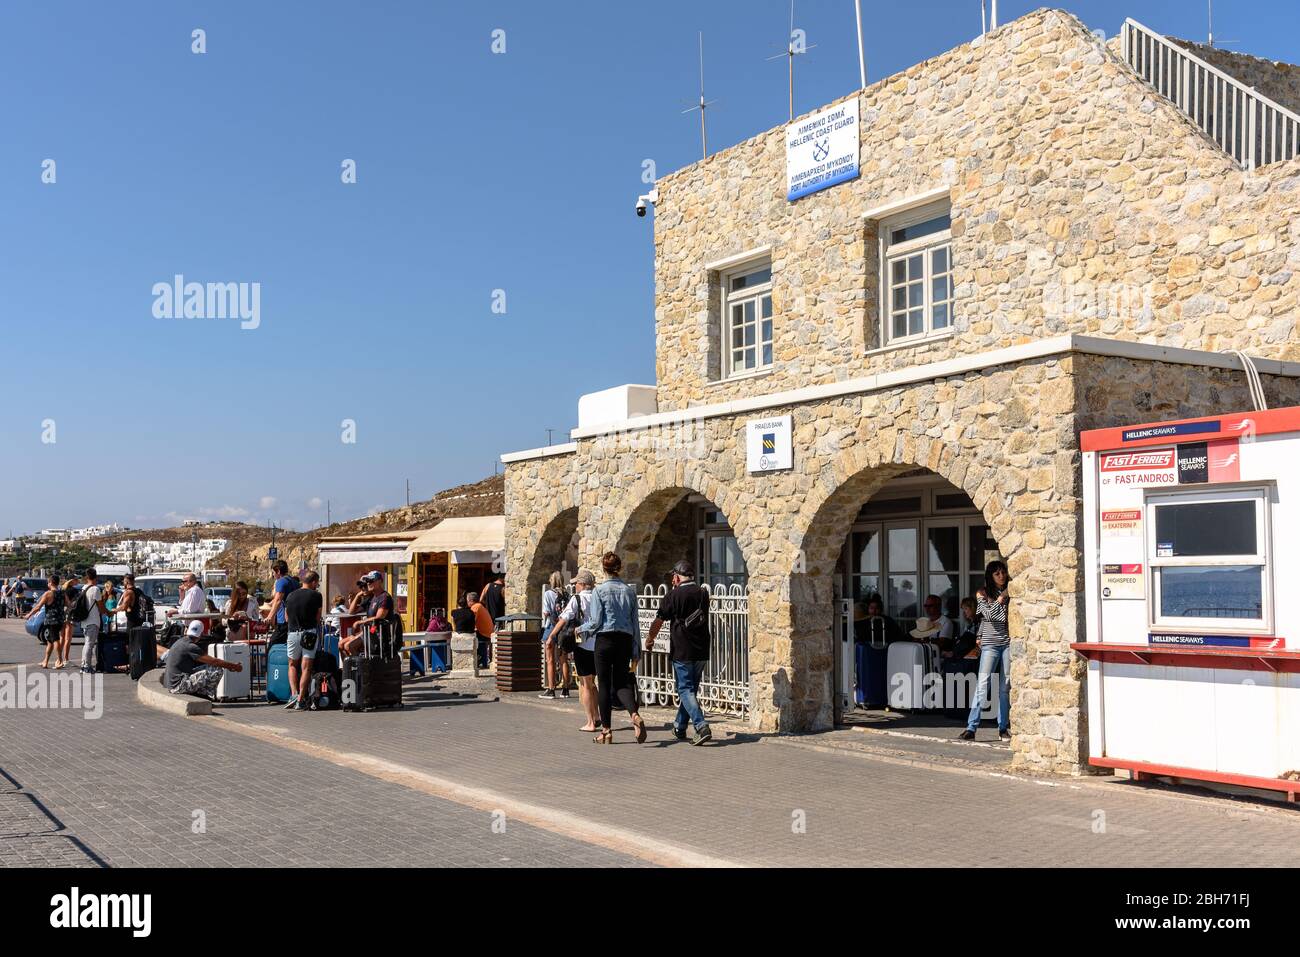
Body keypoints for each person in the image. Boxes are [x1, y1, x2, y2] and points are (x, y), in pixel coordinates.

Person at [577, 551, 645, 745]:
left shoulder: (600, 591)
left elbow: (596, 621)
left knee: (604, 684)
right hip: (624, 640)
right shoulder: (629, 591)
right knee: (622, 682)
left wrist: (579, 630)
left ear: (603, 568)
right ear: (619, 568)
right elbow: (635, 623)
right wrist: (636, 650)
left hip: (605, 640)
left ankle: (606, 731)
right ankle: (634, 715)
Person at [645, 561, 712, 745]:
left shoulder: (673, 595)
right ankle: (680, 727)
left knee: (684, 689)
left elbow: (659, 620)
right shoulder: (703, 594)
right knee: (690, 690)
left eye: (672, 577)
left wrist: (650, 638)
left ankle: (701, 726)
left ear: (676, 577)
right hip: (701, 649)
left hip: (682, 649)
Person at [961, 561, 1012, 742]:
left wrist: (996, 608)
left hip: (1007, 643)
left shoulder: (1011, 592)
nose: (1001, 576)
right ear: (990, 576)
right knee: (983, 684)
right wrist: (1000, 601)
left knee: (1005, 687)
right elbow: (988, 616)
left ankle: (1003, 727)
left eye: (1003, 572)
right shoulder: (982, 593)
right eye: (997, 573)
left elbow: (1001, 617)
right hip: (990, 644)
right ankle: (971, 727)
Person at [547, 570, 599, 731]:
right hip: (599, 645)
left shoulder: (577, 599)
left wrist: (551, 635)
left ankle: (590, 721)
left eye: (576, 583)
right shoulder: (599, 597)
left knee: (585, 683)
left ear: (583, 584)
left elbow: (564, 618)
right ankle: (598, 715)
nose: (574, 586)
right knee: (594, 683)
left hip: (583, 645)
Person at [165, 619, 243, 698]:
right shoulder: (190, 646)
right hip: (178, 686)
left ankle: (201, 694)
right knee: (217, 670)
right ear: (202, 633)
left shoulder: (181, 641)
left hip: (172, 684)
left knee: (210, 668)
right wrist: (233, 666)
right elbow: (214, 661)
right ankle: (205, 695)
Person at [284, 570, 324, 711]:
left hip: (293, 633)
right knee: (306, 666)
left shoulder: (290, 596)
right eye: (317, 583)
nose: (317, 585)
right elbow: (318, 617)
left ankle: (294, 694)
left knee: (292, 664)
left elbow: (286, 617)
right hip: (309, 633)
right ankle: (301, 699)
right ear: (313, 582)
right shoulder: (316, 596)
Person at [340, 570, 392, 658]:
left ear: (379, 581)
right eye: (367, 581)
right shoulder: (373, 598)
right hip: (371, 630)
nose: (368, 584)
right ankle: (352, 668)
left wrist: (359, 622)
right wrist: (357, 595)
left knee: (349, 646)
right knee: (342, 644)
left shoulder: (384, 597)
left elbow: (379, 618)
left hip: (378, 633)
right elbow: (351, 611)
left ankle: (361, 667)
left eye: (371, 581)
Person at [538, 571, 569, 699]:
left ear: (553, 581)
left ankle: (551, 688)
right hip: (563, 628)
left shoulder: (548, 594)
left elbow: (546, 613)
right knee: (563, 660)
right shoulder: (567, 594)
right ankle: (565, 689)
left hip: (551, 627)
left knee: (550, 659)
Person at [74, 568, 107, 674]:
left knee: (87, 643)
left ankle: (84, 665)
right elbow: (101, 607)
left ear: (87, 577)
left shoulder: (84, 588)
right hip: (93, 621)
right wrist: (108, 612)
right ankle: (86, 667)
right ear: (96, 577)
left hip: (85, 621)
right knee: (89, 644)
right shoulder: (95, 589)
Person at [28, 575, 66, 669]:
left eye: (48, 582)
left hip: (51, 620)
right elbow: (69, 604)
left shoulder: (48, 594)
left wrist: (29, 615)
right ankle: (45, 661)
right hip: (60, 619)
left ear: (51, 583)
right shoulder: (62, 593)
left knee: (55, 639)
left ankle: (60, 660)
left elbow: (38, 607)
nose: (47, 584)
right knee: (50, 641)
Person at [262, 560, 298, 648]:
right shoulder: (293, 581)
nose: (273, 575)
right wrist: (268, 605)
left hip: (283, 621)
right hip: (293, 620)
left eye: (273, 572)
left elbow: (278, 600)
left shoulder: (281, 581)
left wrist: (269, 617)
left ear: (278, 571)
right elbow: (278, 599)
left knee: (272, 644)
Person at [466, 590, 495, 669]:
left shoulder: (475, 607)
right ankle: (481, 660)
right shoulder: (480, 606)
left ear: (471, 601)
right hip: (488, 632)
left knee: (467, 637)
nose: (467, 603)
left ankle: (476, 660)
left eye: (467, 601)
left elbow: (471, 620)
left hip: (484, 633)